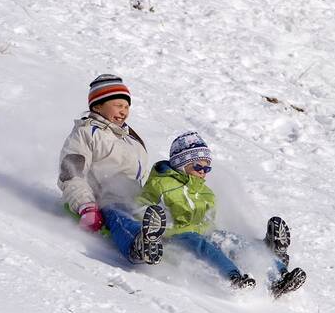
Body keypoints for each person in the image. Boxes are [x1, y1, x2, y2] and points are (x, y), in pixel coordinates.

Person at [137, 131, 306, 296]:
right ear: (181, 164)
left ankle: (280, 276)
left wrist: (216, 234)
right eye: (198, 166)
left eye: (206, 167)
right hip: (175, 236)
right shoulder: (161, 184)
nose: (203, 171)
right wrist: (159, 229)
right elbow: (142, 209)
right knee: (204, 247)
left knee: (236, 242)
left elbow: (209, 219)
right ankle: (233, 277)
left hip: (203, 233)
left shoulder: (206, 193)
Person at [57, 74, 166, 265]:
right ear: (97, 106)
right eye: (118, 105)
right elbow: (71, 172)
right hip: (102, 198)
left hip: (133, 198)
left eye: (126, 106)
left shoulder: (130, 138)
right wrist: (86, 205)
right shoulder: (86, 132)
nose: (124, 111)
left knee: (161, 212)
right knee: (118, 213)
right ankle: (137, 246)